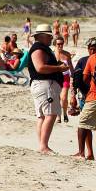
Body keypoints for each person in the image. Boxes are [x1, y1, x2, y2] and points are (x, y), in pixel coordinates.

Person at [27, 24, 68, 154]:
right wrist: (59, 68)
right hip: (44, 84)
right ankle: (44, 146)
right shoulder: (38, 48)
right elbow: (40, 67)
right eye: (49, 37)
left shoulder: (42, 48)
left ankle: (42, 145)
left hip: (43, 85)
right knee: (50, 114)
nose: (51, 39)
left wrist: (57, 66)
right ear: (42, 36)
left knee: (43, 116)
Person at [70, 38, 96, 161]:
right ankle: (90, 153)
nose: (92, 50)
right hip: (85, 96)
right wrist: (73, 96)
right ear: (87, 49)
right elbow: (74, 79)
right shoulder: (82, 61)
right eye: (90, 48)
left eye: (94, 48)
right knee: (87, 125)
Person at [53, 36, 74, 123]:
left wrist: (74, 77)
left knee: (64, 97)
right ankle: (58, 116)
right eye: (58, 44)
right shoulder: (52, 54)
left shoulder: (67, 54)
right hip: (55, 78)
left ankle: (64, 113)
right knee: (56, 98)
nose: (60, 46)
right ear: (55, 44)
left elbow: (71, 67)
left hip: (65, 77)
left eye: (62, 44)